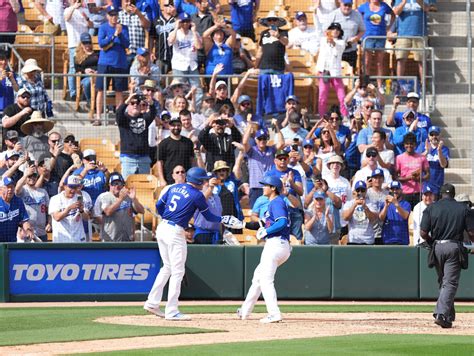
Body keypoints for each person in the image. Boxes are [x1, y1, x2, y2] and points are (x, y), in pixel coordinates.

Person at [144, 167, 221, 320]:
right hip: (175, 231)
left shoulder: (174, 187)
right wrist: (223, 219)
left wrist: (170, 215)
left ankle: (152, 302)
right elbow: (209, 217)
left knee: (167, 268)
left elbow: (159, 206)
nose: (205, 182)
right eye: (204, 180)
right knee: (177, 272)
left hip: (163, 227)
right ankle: (171, 311)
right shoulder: (197, 195)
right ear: (198, 181)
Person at [238, 174, 291, 323]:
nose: (263, 187)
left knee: (266, 280)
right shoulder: (273, 203)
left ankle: (274, 313)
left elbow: (281, 223)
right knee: (258, 277)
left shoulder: (276, 202)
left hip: (276, 244)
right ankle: (245, 311)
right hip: (278, 245)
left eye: (265, 185)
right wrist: (242, 225)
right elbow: (264, 225)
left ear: (273, 188)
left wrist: (266, 232)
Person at [420, 183, 474, 329]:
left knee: (444, 281)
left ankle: (448, 315)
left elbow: (423, 233)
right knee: (450, 283)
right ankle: (441, 314)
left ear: (441, 194)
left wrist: (433, 243)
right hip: (453, 246)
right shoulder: (463, 208)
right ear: (454, 194)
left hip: (437, 247)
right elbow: (471, 233)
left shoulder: (431, 207)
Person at [96, 5, 130, 125]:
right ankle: (98, 117)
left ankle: (118, 118)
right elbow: (101, 43)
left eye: (115, 14)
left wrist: (120, 34)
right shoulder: (103, 27)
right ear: (107, 16)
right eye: (111, 15)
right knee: (100, 90)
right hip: (105, 63)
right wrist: (114, 35)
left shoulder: (124, 28)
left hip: (119, 63)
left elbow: (127, 44)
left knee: (119, 91)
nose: (114, 17)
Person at [116, 92, 157, 180]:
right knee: (127, 185)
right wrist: (127, 100)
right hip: (128, 158)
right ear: (128, 105)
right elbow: (119, 113)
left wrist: (151, 102)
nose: (135, 105)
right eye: (132, 103)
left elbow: (153, 113)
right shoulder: (124, 119)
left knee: (143, 187)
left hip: (144, 159)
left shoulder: (145, 118)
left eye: (138, 103)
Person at [93, 173, 144, 242]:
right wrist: (120, 199)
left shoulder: (128, 197)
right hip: (110, 239)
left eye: (119, 183)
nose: (117, 186)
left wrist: (134, 199)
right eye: (114, 183)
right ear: (109, 185)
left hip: (127, 238)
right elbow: (108, 212)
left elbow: (141, 211)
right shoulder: (104, 197)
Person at [243, 124, 284, 207]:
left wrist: (276, 127)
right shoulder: (252, 150)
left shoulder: (271, 149)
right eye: (260, 138)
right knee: (255, 213)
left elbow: (281, 143)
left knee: (270, 212)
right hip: (256, 187)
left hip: (270, 186)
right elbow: (244, 142)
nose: (262, 140)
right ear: (256, 139)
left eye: (264, 138)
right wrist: (249, 126)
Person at [267, 149, 304, 240]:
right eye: (280, 158)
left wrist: (291, 183)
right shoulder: (270, 174)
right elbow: (267, 193)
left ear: (288, 160)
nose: (283, 160)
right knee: (278, 238)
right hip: (277, 209)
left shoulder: (295, 173)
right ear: (275, 160)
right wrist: (280, 185)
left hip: (292, 208)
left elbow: (300, 192)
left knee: (296, 239)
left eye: (284, 158)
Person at [358, 0, 395, 91]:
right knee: (366, 62)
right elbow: (355, 15)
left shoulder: (384, 6)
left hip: (380, 36)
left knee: (380, 62)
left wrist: (388, 27)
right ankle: (365, 84)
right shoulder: (364, 6)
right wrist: (360, 28)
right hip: (368, 36)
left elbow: (393, 15)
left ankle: (379, 85)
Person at [315, 22, 349, 119]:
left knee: (342, 97)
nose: (335, 31)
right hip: (324, 71)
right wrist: (314, 13)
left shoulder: (341, 42)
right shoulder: (322, 40)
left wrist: (331, 40)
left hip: (335, 73)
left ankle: (345, 116)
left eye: (337, 29)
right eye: (333, 29)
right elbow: (318, 28)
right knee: (322, 97)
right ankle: (322, 118)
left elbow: (337, 46)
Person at [168, 12, 203, 106]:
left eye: (187, 22)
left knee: (198, 90)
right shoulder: (175, 33)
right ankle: (177, 109)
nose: (185, 24)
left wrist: (194, 31)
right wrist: (176, 27)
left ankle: (195, 110)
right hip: (179, 65)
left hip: (192, 65)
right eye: (183, 22)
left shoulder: (194, 33)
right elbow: (170, 41)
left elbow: (199, 46)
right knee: (178, 91)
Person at [49, 175, 93, 243]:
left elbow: (86, 218)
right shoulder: (55, 199)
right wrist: (69, 208)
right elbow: (57, 217)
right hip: (62, 239)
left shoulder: (80, 198)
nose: (73, 190)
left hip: (78, 238)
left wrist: (81, 210)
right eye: (71, 187)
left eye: (75, 187)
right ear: (65, 186)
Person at [392, 0, 429, 80]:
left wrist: (419, 1)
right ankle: (400, 85)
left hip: (420, 34)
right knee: (401, 59)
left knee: (421, 61)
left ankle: (424, 86)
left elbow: (427, 8)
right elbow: (396, 12)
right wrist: (404, 2)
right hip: (403, 34)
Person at [64, 0, 93, 101]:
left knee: (86, 67)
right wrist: (73, 7)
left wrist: (87, 18)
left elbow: (91, 25)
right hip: (74, 44)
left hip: (85, 44)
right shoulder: (68, 10)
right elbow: (66, 18)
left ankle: (85, 92)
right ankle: (73, 93)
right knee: (73, 68)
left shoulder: (85, 10)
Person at [15, 163, 51, 242]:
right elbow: (17, 189)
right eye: (29, 176)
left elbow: (49, 210)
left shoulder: (43, 192)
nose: (32, 178)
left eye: (34, 176)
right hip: (27, 232)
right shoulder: (23, 190)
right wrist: (25, 175)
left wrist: (49, 223)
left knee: (43, 254)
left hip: (42, 232)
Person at [325, 0, 365, 70]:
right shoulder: (333, 14)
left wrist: (356, 38)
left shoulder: (357, 15)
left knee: (350, 75)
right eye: (345, 5)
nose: (347, 7)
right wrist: (333, 40)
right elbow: (325, 30)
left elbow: (362, 30)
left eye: (349, 5)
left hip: (350, 50)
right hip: (335, 51)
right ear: (341, 4)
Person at [157, 117, 195, 186]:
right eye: (173, 125)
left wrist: (192, 178)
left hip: (186, 180)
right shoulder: (163, 143)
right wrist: (162, 179)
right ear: (169, 126)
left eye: (178, 125)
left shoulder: (188, 142)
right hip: (169, 180)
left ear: (181, 126)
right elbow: (160, 162)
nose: (176, 127)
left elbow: (192, 160)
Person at [395, 132, 430, 209]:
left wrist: (420, 179)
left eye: (411, 144)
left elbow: (428, 175)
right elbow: (396, 177)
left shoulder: (422, 158)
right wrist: (409, 178)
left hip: (419, 193)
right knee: (406, 217)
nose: (409, 146)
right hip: (405, 193)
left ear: (415, 145)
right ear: (404, 145)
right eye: (407, 144)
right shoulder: (399, 158)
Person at [342, 180, 378, 245]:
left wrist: (365, 207)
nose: (360, 192)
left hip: (368, 240)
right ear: (355, 191)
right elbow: (345, 217)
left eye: (362, 190)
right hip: (353, 240)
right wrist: (354, 205)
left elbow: (373, 219)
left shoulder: (371, 204)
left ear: (366, 191)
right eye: (358, 190)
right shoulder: (349, 203)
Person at [0, 176, 34, 243]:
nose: (10, 189)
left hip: (12, 241)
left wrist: (28, 230)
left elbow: (24, 220)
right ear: (1, 189)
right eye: (7, 187)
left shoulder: (18, 201)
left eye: (12, 187)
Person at [118, 0, 150, 64]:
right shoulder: (118, 15)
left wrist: (138, 13)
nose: (129, 3)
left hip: (139, 53)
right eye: (127, 1)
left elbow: (147, 25)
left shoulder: (142, 14)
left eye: (131, 1)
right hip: (124, 53)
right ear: (122, 2)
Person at [379, 180, 411, 245]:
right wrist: (386, 206)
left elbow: (405, 216)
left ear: (401, 190)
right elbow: (381, 218)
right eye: (392, 189)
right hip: (388, 239)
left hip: (402, 239)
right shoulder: (384, 203)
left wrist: (396, 203)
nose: (395, 191)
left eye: (397, 189)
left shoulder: (406, 204)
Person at [74, 32, 100, 105]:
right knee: (87, 83)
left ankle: (97, 101)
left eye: (88, 42)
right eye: (85, 43)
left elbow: (101, 64)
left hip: (97, 74)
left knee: (98, 81)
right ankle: (90, 102)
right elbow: (77, 68)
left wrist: (97, 71)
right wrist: (85, 71)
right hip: (85, 76)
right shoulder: (78, 56)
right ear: (81, 44)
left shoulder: (97, 54)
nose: (87, 45)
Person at [423, 126, 449, 195]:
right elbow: (417, 162)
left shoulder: (444, 149)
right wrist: (426, 151)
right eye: (432, 135)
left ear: (440, 136)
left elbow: (443, 164)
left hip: (438, 185)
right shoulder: (423, 146)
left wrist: (439, 150)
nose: (434, 137)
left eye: (436, 134)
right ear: (428, 136)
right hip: (424, 184)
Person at [153, 0, 176, 74]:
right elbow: (151, 38)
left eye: (171, 5)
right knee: (159, 81)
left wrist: (175, 14)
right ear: (161, 7)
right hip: (160, 56)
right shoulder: (156, 21)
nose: (169, 7)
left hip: (175, 56)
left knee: (175, 82)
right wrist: (151, 52)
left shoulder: (177, 20)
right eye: (166, 5)